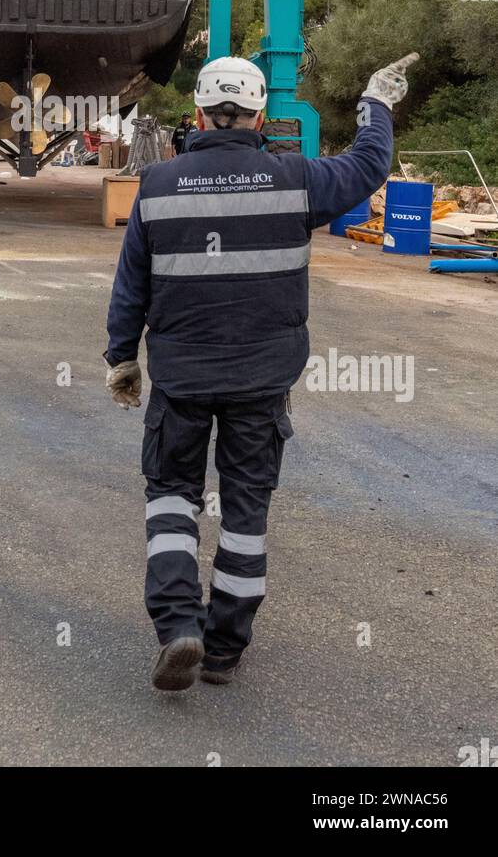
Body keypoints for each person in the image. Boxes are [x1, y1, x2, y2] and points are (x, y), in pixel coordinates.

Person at [104, 53, 416, 693]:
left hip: (181, 381)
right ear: (260, 114)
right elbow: (368, 166)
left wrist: (121, 358)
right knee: (245, 511)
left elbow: (130, 281)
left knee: (171, 498)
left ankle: (177, 627)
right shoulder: (297, 180)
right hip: (261, 383)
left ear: (195, 112)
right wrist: (375, 103)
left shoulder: (158, 186)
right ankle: (222, 651)